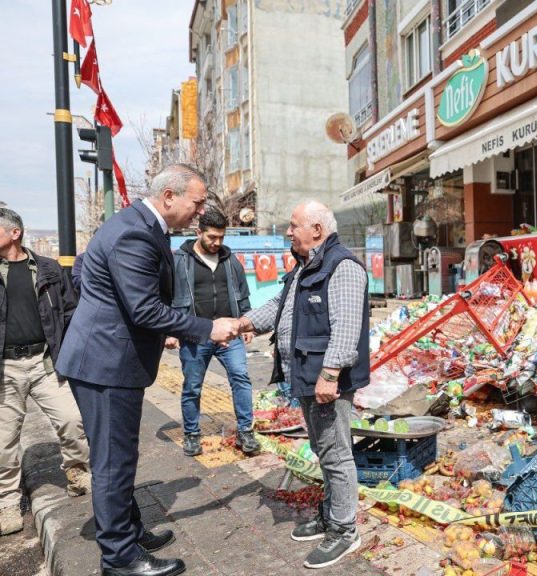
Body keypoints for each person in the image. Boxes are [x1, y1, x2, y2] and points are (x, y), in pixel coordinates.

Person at [57, 164, 240, 576]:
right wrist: (207, 328)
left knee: (121, 455)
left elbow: (85, 271)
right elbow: (144, 308)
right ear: (169, 196)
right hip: (105, 364)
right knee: (112, 462)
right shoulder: (135, 232)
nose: (199, 212)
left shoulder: (137, 224)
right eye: (196, 203)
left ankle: (130, 529)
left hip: (106, 357)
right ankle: (119, 558)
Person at [238, 200, 369, 570]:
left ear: (316, 229)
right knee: (322, 448)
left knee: (337, 452)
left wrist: (330, 374)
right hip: (307, 377)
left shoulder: (341, 266)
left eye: (294, 225)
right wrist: (242, 324)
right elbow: (281, 306)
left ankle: (344, 529)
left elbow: (345, 327)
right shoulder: (305, 268)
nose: (288, 232)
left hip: (327, 379)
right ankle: (331, 515)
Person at [0, 207, 90, 536]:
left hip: (46, 362)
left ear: (14, 233)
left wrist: (71, 352)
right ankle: (7, 500)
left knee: (72, 420)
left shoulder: (48, 269)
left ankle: (78, 474)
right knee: (3, 440)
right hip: (5, 368)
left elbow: (71, 311)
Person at [164, 209, 258, 456]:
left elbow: (242, 292)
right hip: (195, 335)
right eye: (212, 237)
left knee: (241, 378)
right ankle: (192, 434)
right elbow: (168, 297)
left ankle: (246, 431)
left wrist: (246, 324)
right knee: (193, 386)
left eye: (221, 237)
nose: (217, 243)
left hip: (230, 332)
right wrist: (170, 331)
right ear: (199, 233)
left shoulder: (230, 259)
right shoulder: (180, 261)